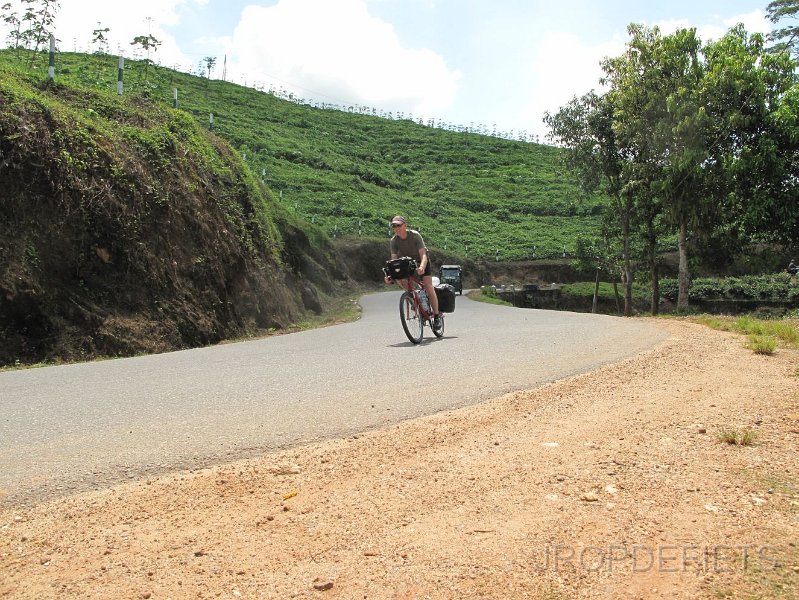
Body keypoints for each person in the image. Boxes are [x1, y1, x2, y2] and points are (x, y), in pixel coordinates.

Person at [384, 215, 442, 330]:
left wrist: (421, 267)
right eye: (394, 226)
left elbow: (423, 255)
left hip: (421, 261)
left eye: (399, 225)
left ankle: (436, 317)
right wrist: (389, 275)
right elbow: (393, 261)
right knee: (400, 278)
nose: (396, 228)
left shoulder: (415, 236)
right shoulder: (394, 241)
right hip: (407, 263)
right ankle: (413, 297)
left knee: (428, 286)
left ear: (405, 225)